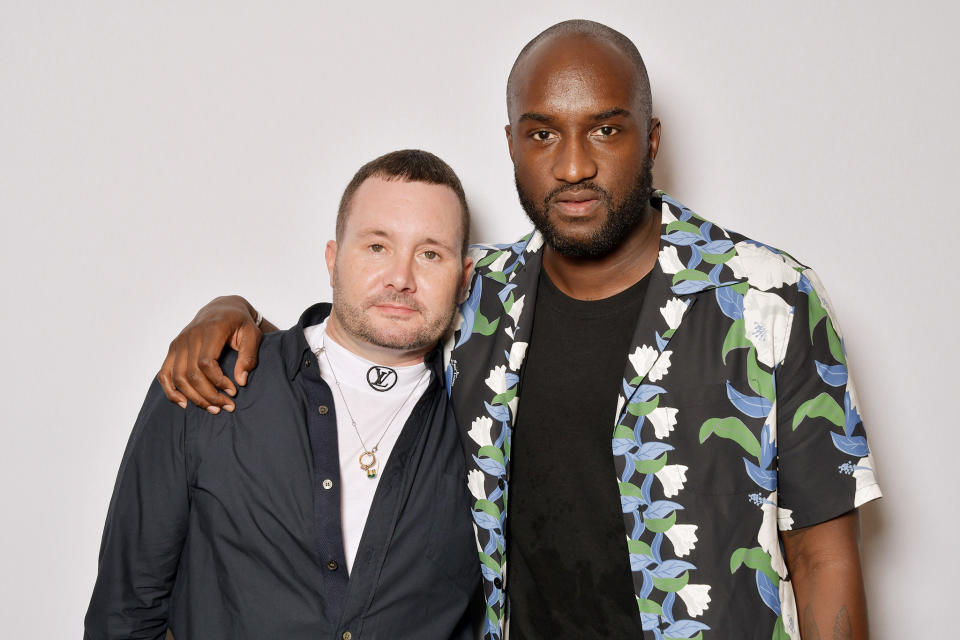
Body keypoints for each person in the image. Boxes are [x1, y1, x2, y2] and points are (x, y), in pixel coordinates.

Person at [157, 20, 881, 640]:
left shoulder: (767, 298)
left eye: (605, 128)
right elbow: (361, 339)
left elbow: (825, 559)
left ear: (651, 139)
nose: (573, 165)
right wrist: (234, 317)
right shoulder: (478, 296)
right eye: (543, 134)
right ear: (511, 144)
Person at [84, 150, 481, 639]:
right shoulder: (211, 380)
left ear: (463, 279)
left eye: (429, 254)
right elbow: (125, 616)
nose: (400, 278)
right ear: (333, 259)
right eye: (377, 247)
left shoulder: (485, 427)